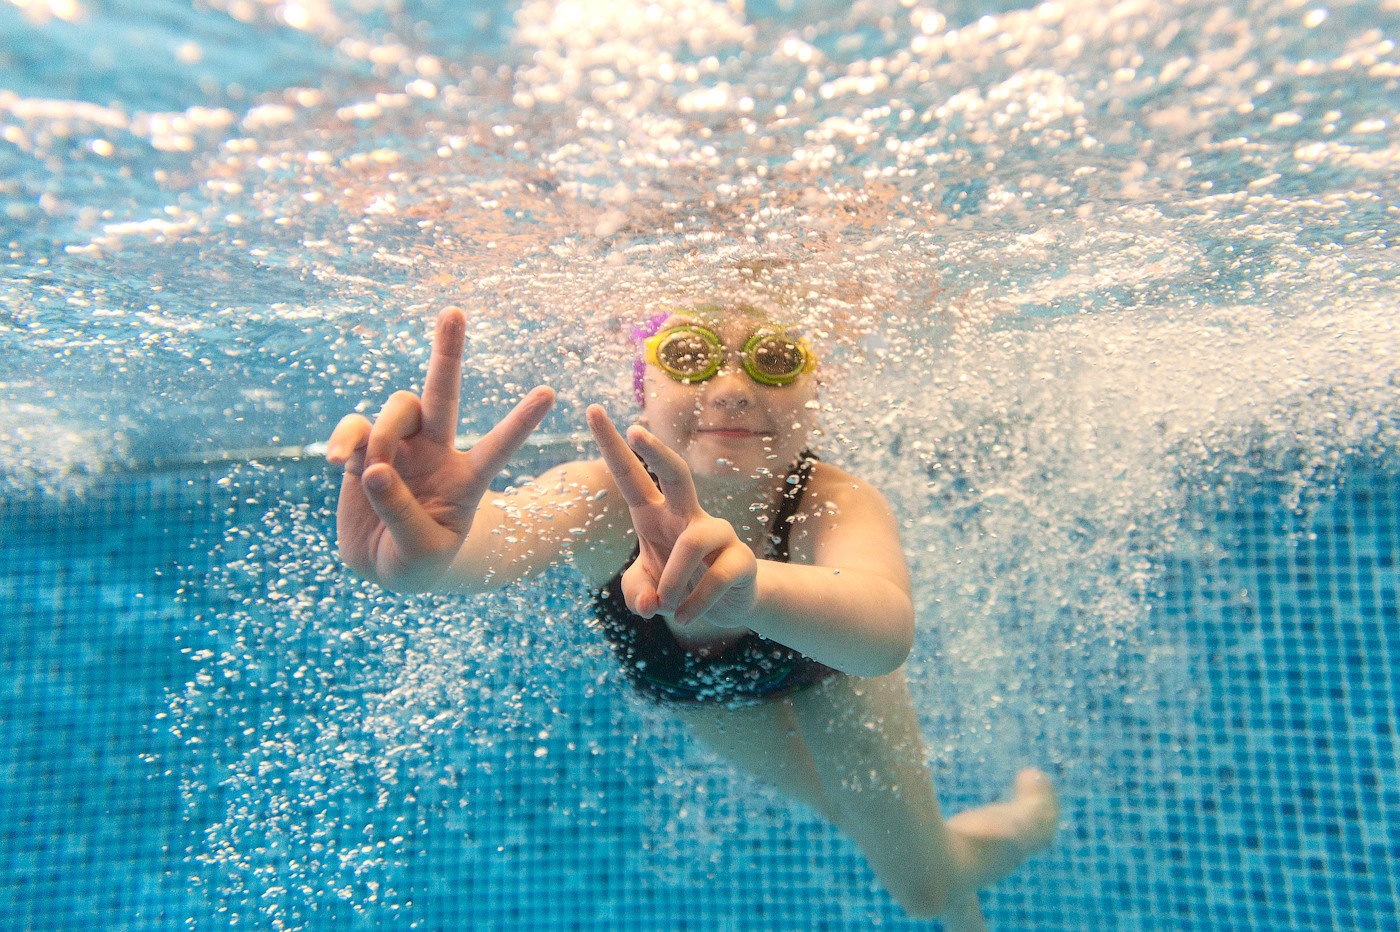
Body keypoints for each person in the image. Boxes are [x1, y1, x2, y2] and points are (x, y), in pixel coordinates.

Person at [326, 303, 1058, 929]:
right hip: (702, 693)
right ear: (644, 392)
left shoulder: (830, 500)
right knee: (870, 827)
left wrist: (757, 592)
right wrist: (426, 559)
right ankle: (953, 887)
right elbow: (493, 540)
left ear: (816, 391)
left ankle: (1021, 831)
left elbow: (883, 636)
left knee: (920, 890)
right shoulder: (598, 498)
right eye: (690, 356)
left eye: (773, 357)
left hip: (830, 678)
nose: (733, 388)